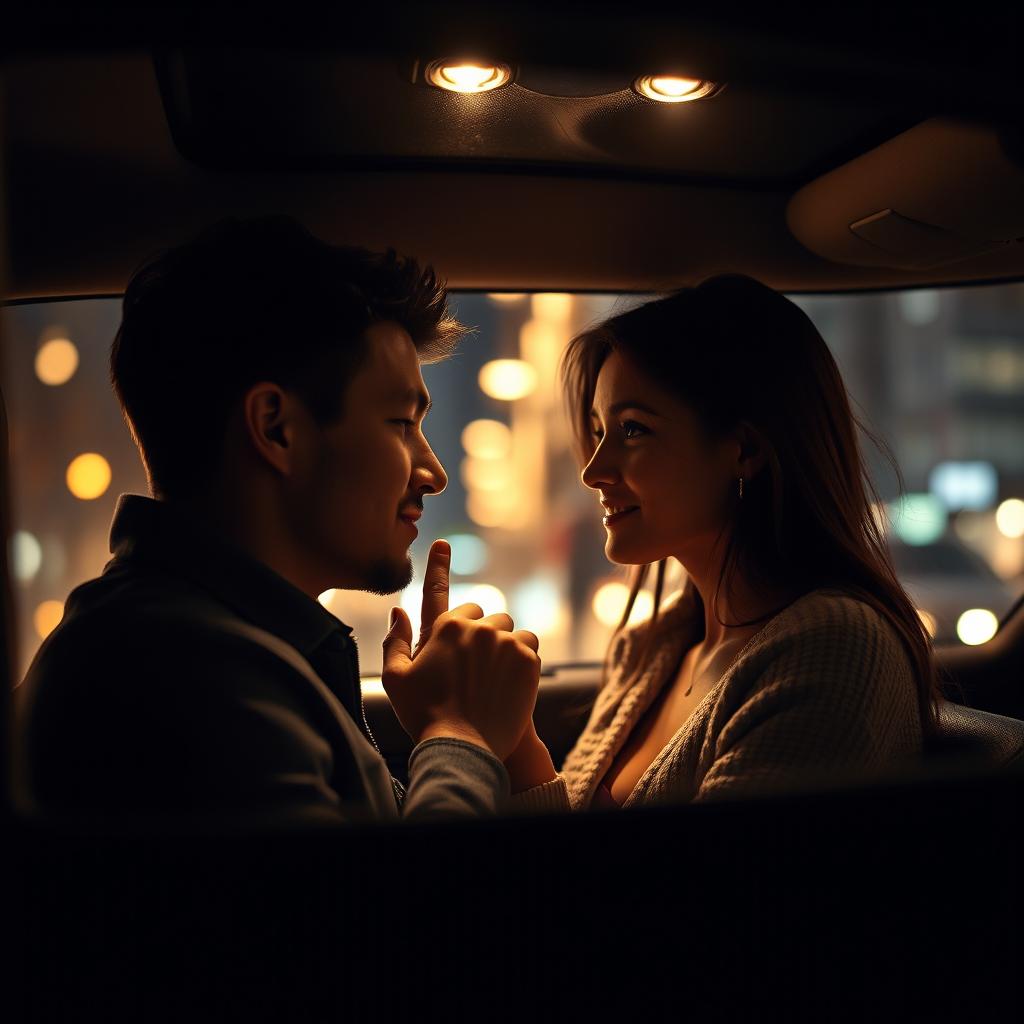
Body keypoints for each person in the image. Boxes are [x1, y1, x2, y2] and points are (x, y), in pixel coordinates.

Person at [13, 216, 543, 826]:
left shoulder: (220, 643)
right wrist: (461, 734)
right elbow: (399, 918)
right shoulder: (192, 680)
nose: (434, 473)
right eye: (401, 423)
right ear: (276, 429)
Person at [502, 275, 938, 811]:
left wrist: (513, 746)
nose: (594, 471)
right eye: (598, 432)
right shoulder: (652, 646)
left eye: (633, 429)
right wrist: (512, 737)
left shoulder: (833, 649)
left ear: (745, 450)